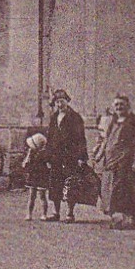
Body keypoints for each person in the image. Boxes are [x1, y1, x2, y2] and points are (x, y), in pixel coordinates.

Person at [95, 94, 135, 229]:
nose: (119, 107)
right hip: (111, 163)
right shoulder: (112, 121)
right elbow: (106, 139)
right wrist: (100, 154)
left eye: (121, 104)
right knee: (111, 190)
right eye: (116, 105)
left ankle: (130, 220)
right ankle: (117, 218)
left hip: (127, 163)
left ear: (128, 106)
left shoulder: (134, 121)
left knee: (128, 190)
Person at [44, 89, 88, 223]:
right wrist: (48, 157)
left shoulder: (75, 117)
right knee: (55, 184)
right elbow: (50, 138)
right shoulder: (53, 118)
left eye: (62, 101)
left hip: (71, 156)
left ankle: (70, 213)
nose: (59, 104)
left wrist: (81, 157)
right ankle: (55, 212)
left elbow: (81, 138)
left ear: (67, 101)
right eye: (57, 102)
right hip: (56, 156)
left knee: (70, 183)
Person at [21, 132, 52, 220]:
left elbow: (49, 165)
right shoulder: (31, 154)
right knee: (32, 196)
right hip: (33, 176)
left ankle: (44, 214)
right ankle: (29, 214)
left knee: (42, 196)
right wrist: (28, 155)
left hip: (41, 176)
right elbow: (24, 164)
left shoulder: (45, 154)